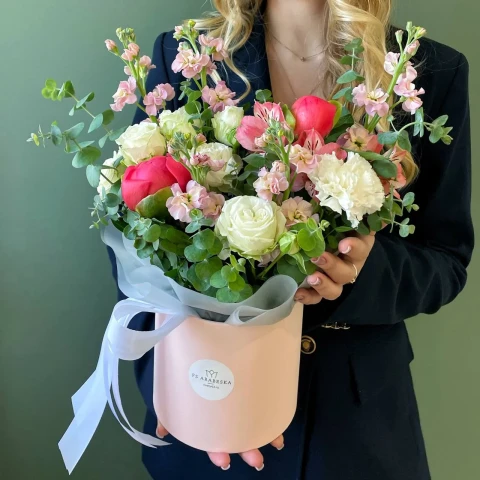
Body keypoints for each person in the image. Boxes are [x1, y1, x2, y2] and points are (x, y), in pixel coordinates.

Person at [108, 0, 473, 478]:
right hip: (209, 404)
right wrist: (175, 386)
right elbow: (138, 238)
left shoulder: (428, 71)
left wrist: (361, 273)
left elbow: (445, 260)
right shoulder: (191, 55)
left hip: (355, 433)